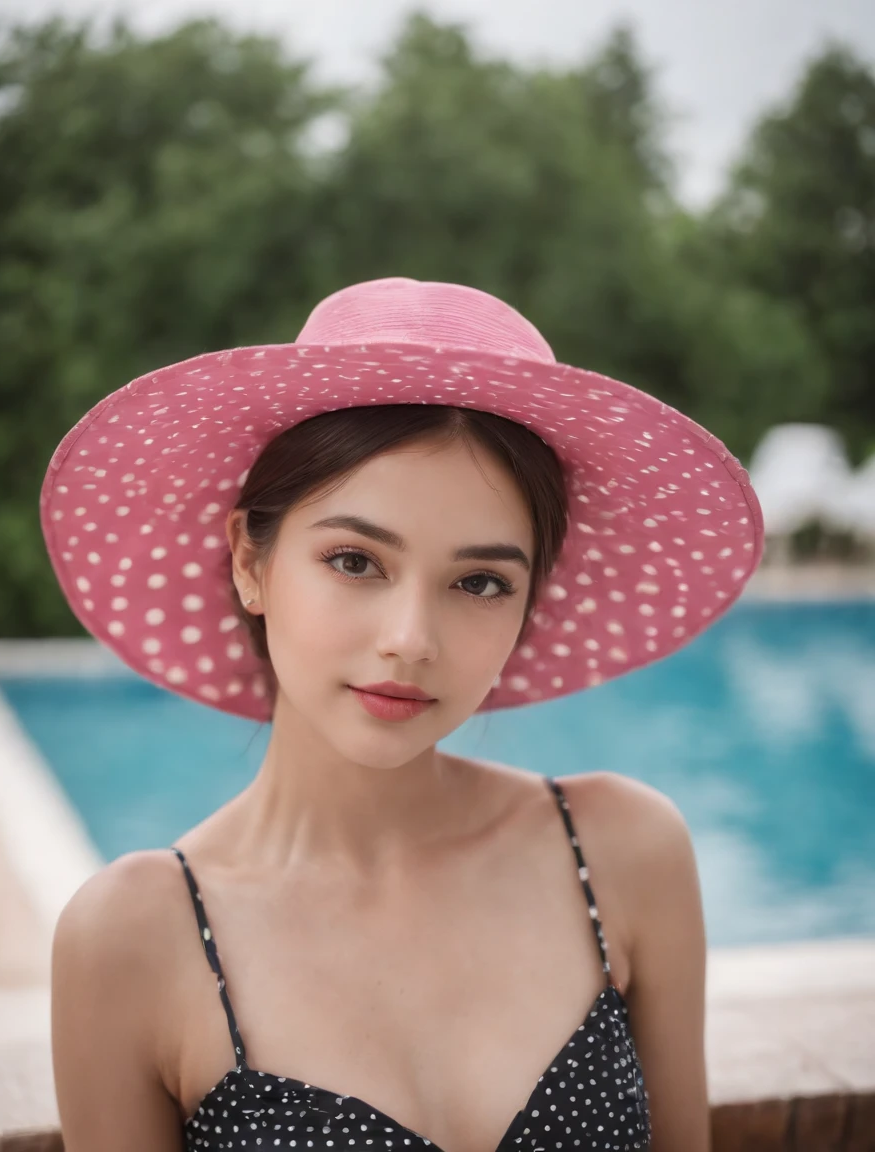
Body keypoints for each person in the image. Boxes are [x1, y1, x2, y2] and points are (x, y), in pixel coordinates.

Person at [42, 277, 763, 1152]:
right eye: (355, 560)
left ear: (530, 600)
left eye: (480, 582)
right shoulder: (130, 938)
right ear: (249, 560)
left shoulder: (623, 854)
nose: (411, 639)